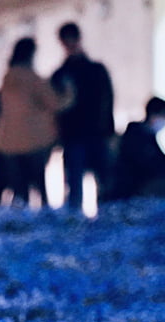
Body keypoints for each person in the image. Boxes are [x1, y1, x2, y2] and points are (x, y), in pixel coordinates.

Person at [0, 38, 72, 209]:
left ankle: (23, 223)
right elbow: (54, 103)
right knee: (40, 186)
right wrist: (69, 93)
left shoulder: (8, 79)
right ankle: (44, 221)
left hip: (8, 143)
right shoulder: (32, 79)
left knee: (20, 189)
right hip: (34, 140)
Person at [50, 22, 116, 212]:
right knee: (89, 183)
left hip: (86, 134)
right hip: (82, 135)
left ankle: (87, 220)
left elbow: (107, 101)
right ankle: (102, 221)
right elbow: (107, 101)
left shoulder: (63, 74)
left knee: (90, 183)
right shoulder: (93, 70)